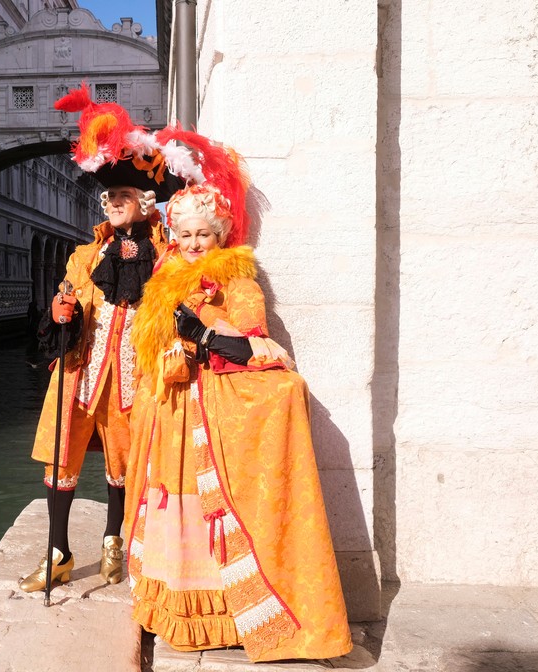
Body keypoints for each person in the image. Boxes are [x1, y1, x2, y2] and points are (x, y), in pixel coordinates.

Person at [123, 129, 353, 662]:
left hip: (211, 411)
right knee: (176, 502)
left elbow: (255, 348)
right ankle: (176, 604)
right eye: (185, 235)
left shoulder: (238, 282)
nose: (194, 244)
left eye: (204, 234)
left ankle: (229, 615)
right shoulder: (164, 279)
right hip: (171, 411)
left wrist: (203, 336)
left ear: (221, 233)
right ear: (173, 235)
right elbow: (149, 342)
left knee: (215, 506)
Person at [18, 85, 182, 593]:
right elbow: (66, 304)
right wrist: (59, 313)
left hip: (135, 374)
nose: (112, 203)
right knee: (61, 455)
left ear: (144, 201)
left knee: (125, 458)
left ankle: (115, 539)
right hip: (80, 371)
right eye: (108, 196)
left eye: (123, 196)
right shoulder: (85, 257)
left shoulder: (165, 256)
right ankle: (58, 550)